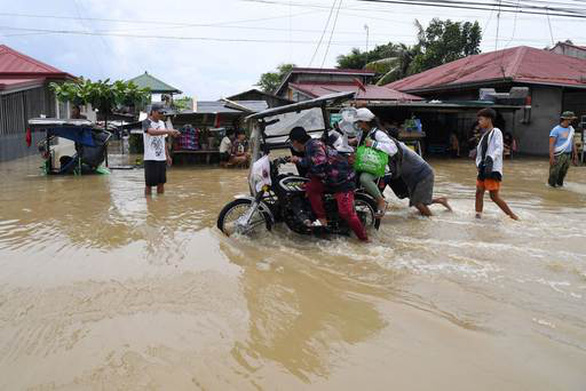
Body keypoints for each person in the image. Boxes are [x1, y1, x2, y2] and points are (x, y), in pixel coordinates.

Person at [288, 126, 368, 242]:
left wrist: (298, 160)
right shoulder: (309, 146)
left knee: (346, 212)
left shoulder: (314, 145)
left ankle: (364, 239)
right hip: (329, 177)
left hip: (342, 179)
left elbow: (320, 161)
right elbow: (317, 167)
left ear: (295, 142)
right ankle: (322, 219)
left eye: (292, 143)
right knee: (310, 187)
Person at [352, 108, 397, 217]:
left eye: (358, 122)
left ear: (364, 122)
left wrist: (374, 144)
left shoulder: (378, 134)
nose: (357, 125)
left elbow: (393, 148)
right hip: (365, 164)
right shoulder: (364, 133)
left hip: (377, 167)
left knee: (364, 179)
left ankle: (380, 201)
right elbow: (354, 142)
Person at [475, 108, 518, 220]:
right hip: (483, 169)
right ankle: (478, 215)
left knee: (494, 196)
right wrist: (479, 164)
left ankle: (512, 216)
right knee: (479, 192)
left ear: (489, 119)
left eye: (481, 119)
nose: (479, 122)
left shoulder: (496, 132)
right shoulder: (484, 136)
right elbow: (479, 154)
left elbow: (499, 148)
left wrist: (490, 158)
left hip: (492, 169)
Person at [142, 103, 180, 196]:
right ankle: (149, 204)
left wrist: (167, 155)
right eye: (160, 112)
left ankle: (161, 203)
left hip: (161, 158)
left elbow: (164, 140)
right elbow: (151, 132)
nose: (162, 114)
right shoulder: (146, 122)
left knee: (161, 183)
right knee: (149, 184)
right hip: (150, 158)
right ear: (153, 112)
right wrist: (169, 131)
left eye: (163, 112)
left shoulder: (162, 123)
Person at [548, 111, 578, 187]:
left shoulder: (570, 130)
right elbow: (551, 144)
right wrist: (552, 158)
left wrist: (575, 155)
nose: (571, 121)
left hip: (568, 155)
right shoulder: (556, 130)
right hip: (558, 155)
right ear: (566, 119)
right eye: (570, 119)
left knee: (563, 173)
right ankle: (551, 188)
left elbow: (572, 142)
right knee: (554, 173)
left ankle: (559, 187)